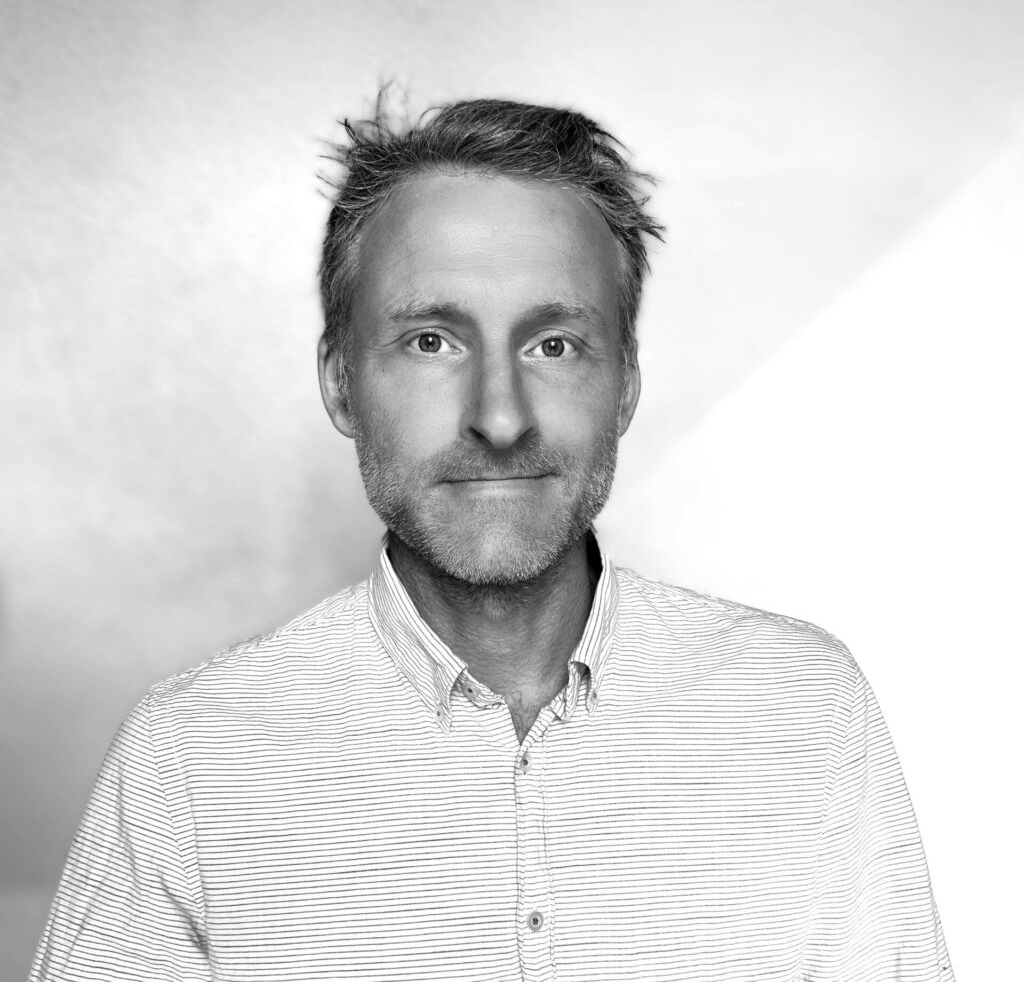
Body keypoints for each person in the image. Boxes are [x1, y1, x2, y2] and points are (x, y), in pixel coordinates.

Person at [29, 97, 954, 981]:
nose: (501, 419)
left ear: (626, 384)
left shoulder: (803, 711)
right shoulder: (190, 758)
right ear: (341, 382)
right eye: (432, 341)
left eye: (554, 344)